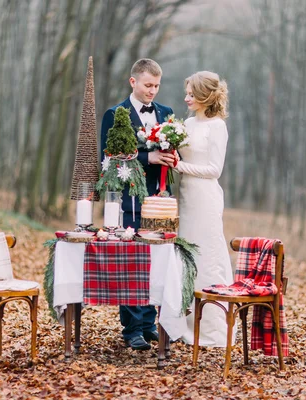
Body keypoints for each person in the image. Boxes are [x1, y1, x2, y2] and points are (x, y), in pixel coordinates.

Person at [99, 58, 176, 351]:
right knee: (132, 262)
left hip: (160, 199)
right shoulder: (115, 113)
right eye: (147, 85)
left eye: (156, 86)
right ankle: (131, 329)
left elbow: (170, 148)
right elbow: (108, 160)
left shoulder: (166, 113)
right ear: (133, 82)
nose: (152, 91)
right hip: (128, 199)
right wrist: (148, 158)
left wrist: (172, 156)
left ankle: (148, 323)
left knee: (156, 263)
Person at [175, 71, 234, 347]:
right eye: (186, 92)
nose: (186, 97)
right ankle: (185, 326)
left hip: (206, 198)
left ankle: (212, 330)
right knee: (186, 257)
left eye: (191, 93)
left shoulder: (217, 126)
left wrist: (179, 166)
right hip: (185, 197)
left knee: (207, 257)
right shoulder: (185, 123)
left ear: (205, 96)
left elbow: (214, 169)